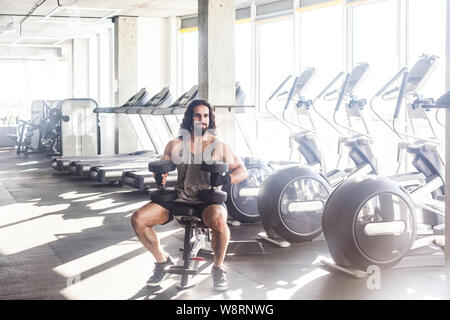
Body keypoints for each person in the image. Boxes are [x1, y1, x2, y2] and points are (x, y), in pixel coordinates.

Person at [131, 99, 249, 291]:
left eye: (205, 116)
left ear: (209, 120)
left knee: (219, 220)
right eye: (197, 115)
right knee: (138, 219)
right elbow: (162, 166)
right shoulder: (174, 145)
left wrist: (225, 181)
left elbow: (242, 171)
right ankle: (162, 261)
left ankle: (218, 268)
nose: (201, 120)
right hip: (179, 198)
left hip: (207, 202)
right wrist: (160, 175)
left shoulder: (219, 146)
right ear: (189, 118)